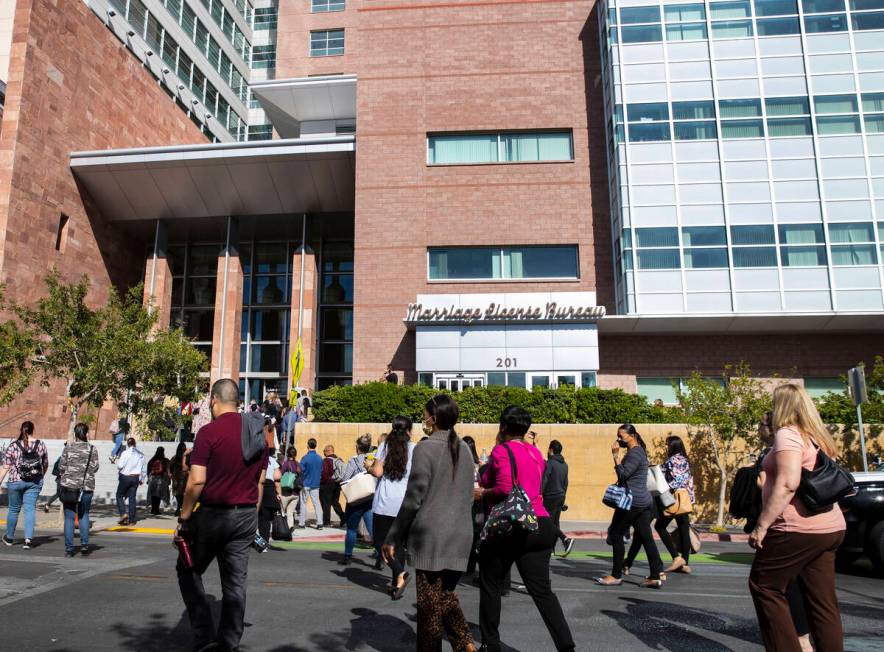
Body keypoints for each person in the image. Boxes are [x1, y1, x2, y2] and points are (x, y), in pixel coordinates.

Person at [748, 383, 846, 652]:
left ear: (782, 405)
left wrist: (762, 525)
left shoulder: (788, 435)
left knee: (764, 586)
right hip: (830, 527)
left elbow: (789, 483)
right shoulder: (814, 434)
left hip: (797, 527)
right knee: (822, 601)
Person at [175, 378, 269, 652]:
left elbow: (196, 482)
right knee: (236, 582)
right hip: (245, 516)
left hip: (213, 515)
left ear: (213, 400)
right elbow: (260, 481)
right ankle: (229, 643)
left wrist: (183, 518)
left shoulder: (208, 433)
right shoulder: (255, 433)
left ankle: (205, 636)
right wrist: (253, 512)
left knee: (187, 568)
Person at [382, 395, 477, 652]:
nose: (423, 419)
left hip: (431, 536)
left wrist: (392, 536)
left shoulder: (426, 448)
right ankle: (465, 644)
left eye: (425, 415)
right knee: (444, 597)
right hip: (461, 535)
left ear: (433, 419)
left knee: (428, 608)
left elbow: (413, 498)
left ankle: (450, 645)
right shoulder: (465, 449)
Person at [476, 406, 575, 652]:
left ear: (503, 427)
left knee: (491, 585)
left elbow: (503, 489)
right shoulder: (535, 453)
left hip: (512, 525)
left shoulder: (501, 450)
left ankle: (491, 644)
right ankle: (566, 647)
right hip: (541, 523)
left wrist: (481, 493)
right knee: (542, 592)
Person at [755, 411, 812, 652]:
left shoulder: (783, 445)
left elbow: (787, 484)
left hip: (787, 524)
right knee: (805, 587)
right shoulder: (805, 440)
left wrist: (762, 525)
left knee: (769, 585)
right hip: (807, 526)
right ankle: (804, 639)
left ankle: (800, 640)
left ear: (770, 427)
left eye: (760, 424)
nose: (757, 428)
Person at [595, 424, 664, 588]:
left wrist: (615, 456)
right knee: (646, 537)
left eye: (621, 436)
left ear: (632, 435)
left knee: (616, 533)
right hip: (642, 501)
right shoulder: (639, 451)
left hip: (632, 501)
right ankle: (655, 575)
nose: (619, 439)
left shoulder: (634, 453)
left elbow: (624, 475)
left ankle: (616, 575)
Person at [368, 416, 416, 597]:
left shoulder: (385, 446)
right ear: (409, 430)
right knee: (399, 544)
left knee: (380, 543)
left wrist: (370, 468)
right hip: (404, 502)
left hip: (385, 502)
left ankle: (399, 572)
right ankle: (398, 582)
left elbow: (378, 471)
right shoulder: (414, 448)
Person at [0, 421, 49, 549]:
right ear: (33, 430)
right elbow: (45, 464)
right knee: (30, 509)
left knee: (14, 509)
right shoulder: (40, 444)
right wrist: (40, 477)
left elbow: (5, 467)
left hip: (15, 482)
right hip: (34, 482)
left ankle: (9, 538)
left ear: (21, 430)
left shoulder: (13, 446)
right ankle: (28, 540)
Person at [655, 435, 696, 574]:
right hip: (685, 498)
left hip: (674, 498)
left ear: (672, 446)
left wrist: (667, 488)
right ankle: (685, 562)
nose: (666, 447)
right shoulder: (685, 459)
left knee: (659, 526)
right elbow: (687, 479)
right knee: (684, 529)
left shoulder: (672, 460)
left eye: (668, 445)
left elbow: (678, 479)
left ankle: (675, 556)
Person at [58, 423, 99, 557]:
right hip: (86, 487)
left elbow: (61, 466)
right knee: (84, 515)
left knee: (69, 518)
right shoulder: (92, 449)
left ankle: (69, 549)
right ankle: (85, 545)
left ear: (75, 434)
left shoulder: (68, 447)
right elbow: (95, 467)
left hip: (69, 487)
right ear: (86, 434)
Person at [338, 434, 375, 565]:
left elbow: (345, 477)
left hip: (355, 499)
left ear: (358, 447)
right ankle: (379, 555)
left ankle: (348, 555)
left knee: (352, 529)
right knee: (372, 529)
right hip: (370, 498)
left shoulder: (353, 461)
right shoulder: (373, 459)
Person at [542, 439, 574, 557]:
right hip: (560, 496)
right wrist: (563, 498)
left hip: (550, 496)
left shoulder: (550, 463)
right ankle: (552, 549)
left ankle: (565, 539)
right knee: (555, 523)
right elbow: (566, 483)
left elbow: (545, 479)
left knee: (547, 523)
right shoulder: (564, 465)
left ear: (551, 450)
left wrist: (540, 493)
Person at [116, 438, 146, 526]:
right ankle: (132, 520)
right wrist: (142, 479)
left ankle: (123, 514)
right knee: (132, 498)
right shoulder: (140, 454)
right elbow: (143, 468)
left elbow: (120, 465)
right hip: (135, 478)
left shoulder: (125, 453)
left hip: (125, 477)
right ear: (135, 444)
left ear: (128, 444)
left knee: (119, 495)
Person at [258, 448, 282, 546]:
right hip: (269, 490)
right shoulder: (272, 461)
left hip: (256, 487)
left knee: (253, 518)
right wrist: (279, 494)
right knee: (265, 519)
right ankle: (264, 543)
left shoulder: (255, 459)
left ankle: (254, 542)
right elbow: (277, 478)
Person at [299, 438, 323, 529]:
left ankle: (302, 523)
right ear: (315, 445)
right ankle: (320, 523)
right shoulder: (320, 458)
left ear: (308, 445)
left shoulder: (305, 458)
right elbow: (321, 470)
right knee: (316, 503)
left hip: (306, 483)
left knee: (303, 503)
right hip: (316, 483)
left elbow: (301, 471)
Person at [320, 445, 346, 528]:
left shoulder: (326, 461)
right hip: (337, 484)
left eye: (324, 451)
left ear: (328, 451)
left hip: (327, 484)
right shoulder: (339, 460)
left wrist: (321, 482)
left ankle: (326, 522)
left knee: (326, 503)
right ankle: (343, 517)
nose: (323, 452)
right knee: (335, 502)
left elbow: (324, 474)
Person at [280, 447, 301, 527]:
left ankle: (281, 528)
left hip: (286, 493)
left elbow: (280, 475)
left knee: (281, 512)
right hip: (296, 493)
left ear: (287, 454)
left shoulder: (286, 464)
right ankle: (290, 528)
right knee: (290, 513)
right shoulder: (298, 464)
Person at [147, 446, 171, 515]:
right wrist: (168, 480)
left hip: (152, 479)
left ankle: (153, 509)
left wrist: (148, 479)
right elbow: (168, 470)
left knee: (153, 494)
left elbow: (148, 470)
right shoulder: (165, 460)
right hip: (160, 479)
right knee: (158, 495)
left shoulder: (152, 460)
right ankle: (156, 509)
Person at [171, 442, 191, 517]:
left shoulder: (174, 457)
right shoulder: (187, 456)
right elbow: (187, 467)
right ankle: (180, 508)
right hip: (184, 478)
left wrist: (170, 475)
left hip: (176, 478)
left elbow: (170, 466)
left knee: (178, 494)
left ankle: (178, 509)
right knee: (182, 494)